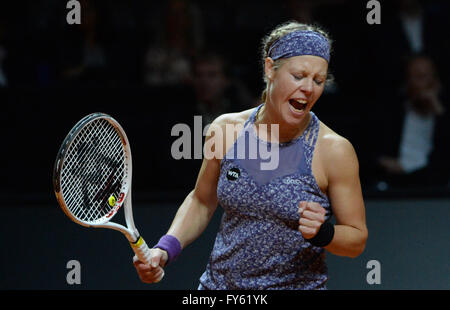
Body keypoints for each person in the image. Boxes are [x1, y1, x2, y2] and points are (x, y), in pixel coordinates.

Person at [133, 21, 368, 289]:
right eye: (298, 75)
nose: (309, 88)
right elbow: (201, 200)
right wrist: (164, 250)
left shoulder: (335, 150)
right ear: (270, 69)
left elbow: (356, 239)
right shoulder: (225, 129)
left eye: (318, 80)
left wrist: (324, 233)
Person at [372, 54, 448, 189]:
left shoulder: (441, 112)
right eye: (418, 76)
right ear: (407, 80)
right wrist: (384, 162)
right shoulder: (391, 110)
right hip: (396, 180)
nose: (424, 82)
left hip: (434, 182)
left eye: (427, 76)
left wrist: (438, 110)